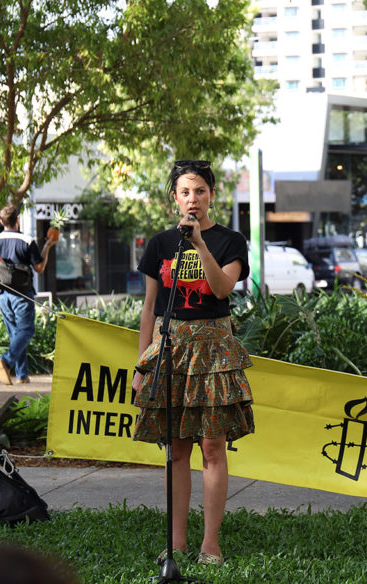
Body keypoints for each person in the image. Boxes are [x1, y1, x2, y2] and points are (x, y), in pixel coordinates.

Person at [131, 159, 254, 566]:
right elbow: (149, 309)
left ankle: (210, 545)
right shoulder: (160, 244)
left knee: (213, 446)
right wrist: (140, 365)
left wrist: (200, 243)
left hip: (215, 347)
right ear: (174, 198)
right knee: (177, 447)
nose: (193, 199)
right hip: (173, 349)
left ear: (211, 195)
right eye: (185, 191)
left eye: (200, 190)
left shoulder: (230, 241)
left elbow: (222, 288)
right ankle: (177, 542)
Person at [0, 204, 53, 385]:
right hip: (23, 295)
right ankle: (6, 361)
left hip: (1, 295)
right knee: (26, 330)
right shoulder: (27, 241)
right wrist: (47, 246)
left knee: (16, 334)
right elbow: (39, 268)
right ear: (17, 221)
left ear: (1, 222)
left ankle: (22, 376)